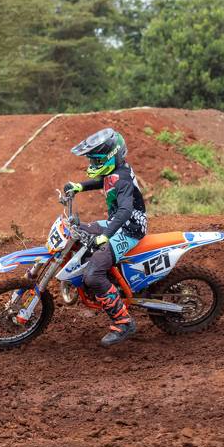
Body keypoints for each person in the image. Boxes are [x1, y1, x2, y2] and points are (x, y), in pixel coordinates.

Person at [62, 128, 149, 346]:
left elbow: (125, 211)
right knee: (77, 231)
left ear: (112, 156)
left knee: (93, 275)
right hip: (115, 224)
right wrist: (80, 186)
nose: (93, 163)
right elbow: (105, 181)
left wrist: (106, 236)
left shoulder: (123, 179)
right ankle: (96, 282)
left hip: (129, 229)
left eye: (96, 160)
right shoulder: (116, 171)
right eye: (92, 160)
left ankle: (123, 322)